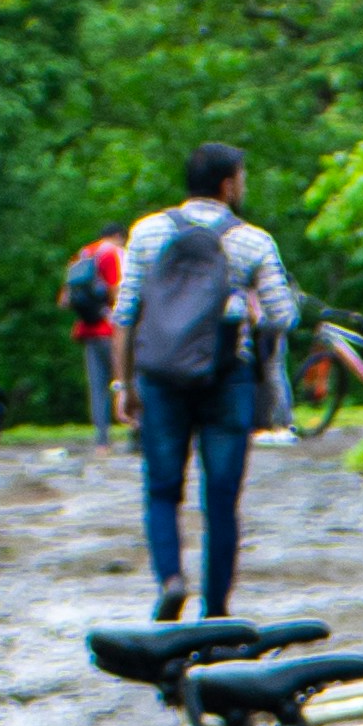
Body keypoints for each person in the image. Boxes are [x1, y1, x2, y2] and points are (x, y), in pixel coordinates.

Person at [115, 143, 296, 621]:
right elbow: (283, 315)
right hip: (226, 376)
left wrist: (123, 385)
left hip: (161, 378)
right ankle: (215, 610)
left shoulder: (148, 232)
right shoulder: (252, 240)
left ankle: (172, 579)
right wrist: (250, 310)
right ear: (227, 184)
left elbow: (126, 312)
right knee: (221, 497)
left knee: (161, 488)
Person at [62, 227, 126, 441]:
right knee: (124, 379)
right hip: (111, 329)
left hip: (87, 329)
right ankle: (137, 433)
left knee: (97, 386)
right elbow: (116, 292)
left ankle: (102, 440)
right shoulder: (112, 253)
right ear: (118, 237)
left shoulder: (83, 253)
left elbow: (65, 299)